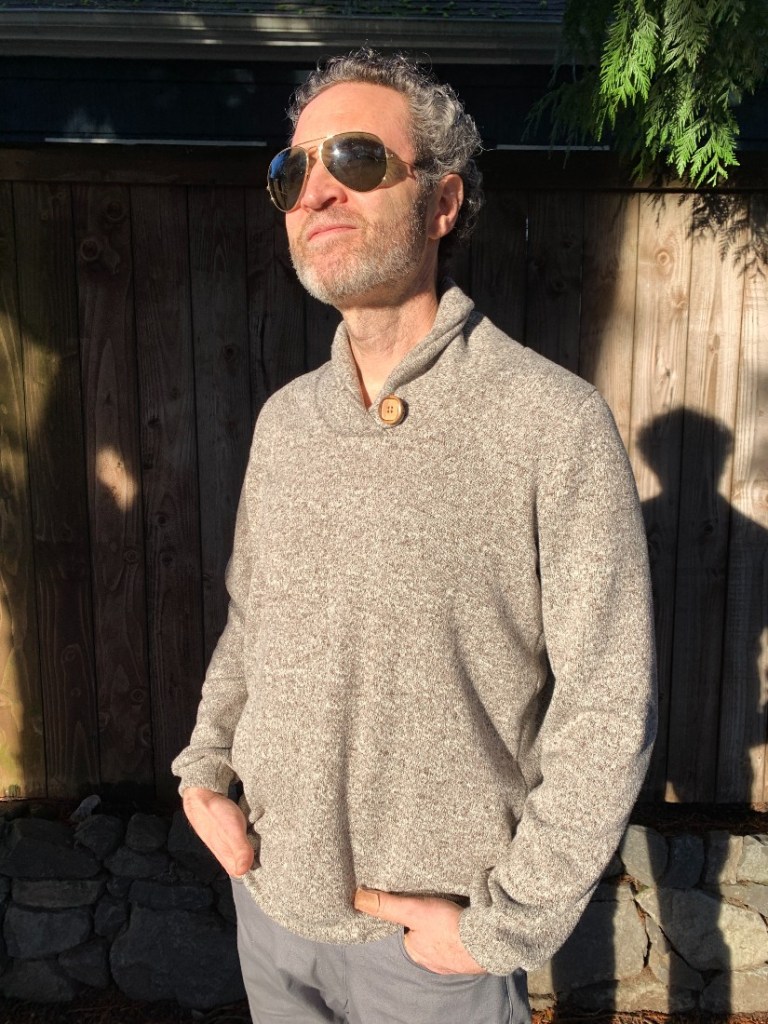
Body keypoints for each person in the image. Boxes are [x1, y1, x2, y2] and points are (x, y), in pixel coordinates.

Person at [172, 49, 657, 1024]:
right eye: (292, 170)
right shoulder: (286, 423)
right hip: (271, 911)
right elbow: (250, 624)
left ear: (442, 202)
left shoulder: (549, 422)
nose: (315, 190)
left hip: (431, 953)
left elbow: (609, 703)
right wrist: (204, 770)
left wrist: (501, 927)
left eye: (355, 158)